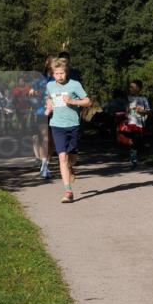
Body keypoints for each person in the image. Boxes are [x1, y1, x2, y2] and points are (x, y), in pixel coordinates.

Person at [45, 57, 90, 203]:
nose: (59, 76)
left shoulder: (75, 85)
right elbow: (48, 97)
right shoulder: (50, 85)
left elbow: (88, 101)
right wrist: (49, 104)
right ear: (53, 74)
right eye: (57, 73)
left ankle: (71, 167)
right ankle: (68, 191)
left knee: (72, 157)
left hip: (73, 125)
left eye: (62, 73)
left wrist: (72, 101)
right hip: (56, 125)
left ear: (66, 72)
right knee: (62, 157)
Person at [30, 55, 54, 179]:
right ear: (46, 64)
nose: (51, 65)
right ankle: (44, 167)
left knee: (52, 141)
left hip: (56, 113)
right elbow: (31, 92)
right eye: (49, 62)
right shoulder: (40, 79)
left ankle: (46, 164)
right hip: (42, 112)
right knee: (45, 138)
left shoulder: (58, 77)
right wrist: (36, 92)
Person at [120, 79, 150, 167]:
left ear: (139, 88)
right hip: (131, 123)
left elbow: (148, 111)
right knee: (133, 140)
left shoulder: (143, 99)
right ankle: (134, 159)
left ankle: (136, 157)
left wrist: (141, 111)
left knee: (137, 141)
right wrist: (127, 112)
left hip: (140, 123)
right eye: (130, 87)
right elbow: (126, 111)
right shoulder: (128, 98)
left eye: (132, 87)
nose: (130, 89)